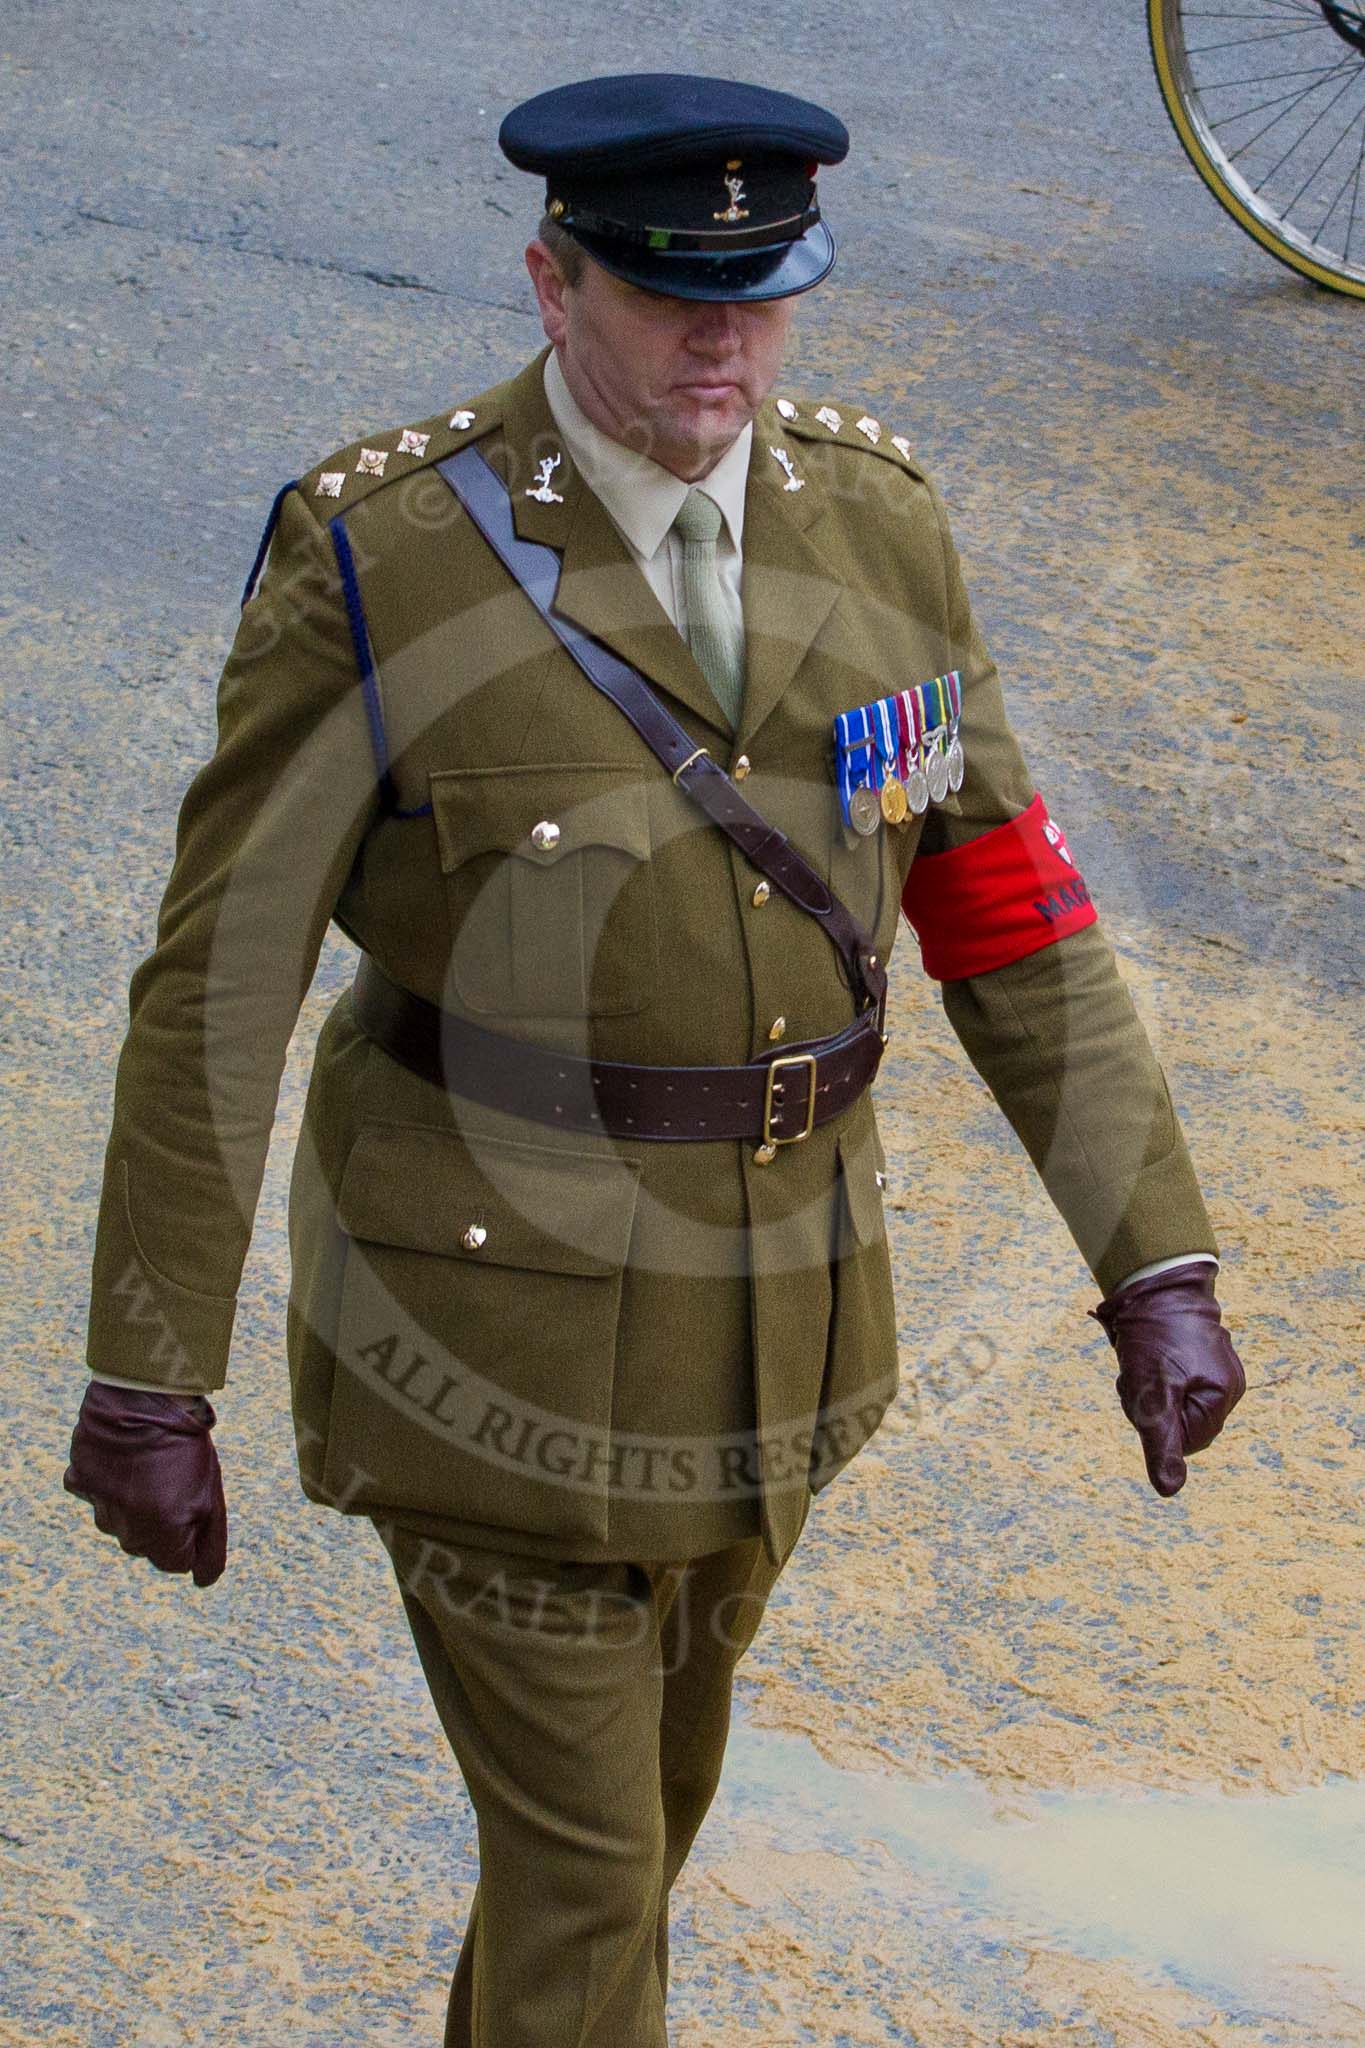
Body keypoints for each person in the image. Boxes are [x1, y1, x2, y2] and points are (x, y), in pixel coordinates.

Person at [64, 72, 1245, 2046]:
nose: (723, 337)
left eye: (763, 292)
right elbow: (216, 990)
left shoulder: (873, 526)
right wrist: (143, 1369)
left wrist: (1154, 1258)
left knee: (639, 1835)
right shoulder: (382, 563)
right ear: (549, 281)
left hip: (772, 1327)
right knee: (587, 1873)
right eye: (666, 289)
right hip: (478, 1332)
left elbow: (1006, 916)